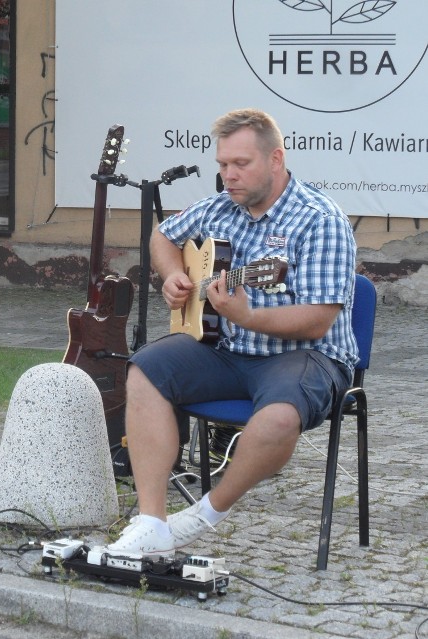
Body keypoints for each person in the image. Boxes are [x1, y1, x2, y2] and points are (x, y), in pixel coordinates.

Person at [108, 108, 358, 557]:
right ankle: (151, 521)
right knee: (145, 368)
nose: (228, 176)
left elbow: (319, 318)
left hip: (308, 356)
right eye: (223, 165)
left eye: (241, 164)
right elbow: (163, 237)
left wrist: (247, 316)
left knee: (280, 417)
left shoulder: (321, 219)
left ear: (276, 159)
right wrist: (171, 276)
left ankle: (205, 513)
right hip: (226, 348)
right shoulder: (222, 205)